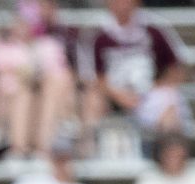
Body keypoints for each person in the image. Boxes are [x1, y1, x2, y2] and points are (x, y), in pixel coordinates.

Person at [77, 0, 186, 141]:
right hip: (109, 96)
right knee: (91, 100)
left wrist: (155, 87)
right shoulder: (95, 31)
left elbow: (176, 66)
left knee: (169, 99)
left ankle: (167, 154)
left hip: (147, 94)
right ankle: (89, 153)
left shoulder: (154, 27)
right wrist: (118, 95)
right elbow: (89, 76)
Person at [0, 0, 74, 161]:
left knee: (52, 86)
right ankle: (18, 148)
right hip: (10, 101)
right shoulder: (5, 47)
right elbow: (2, 77)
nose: (23, 27)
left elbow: (58, 73)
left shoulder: (48, 45)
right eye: (20, 22)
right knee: (23, 93)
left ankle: (43, 147)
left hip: (43, 100)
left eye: (28, 22)